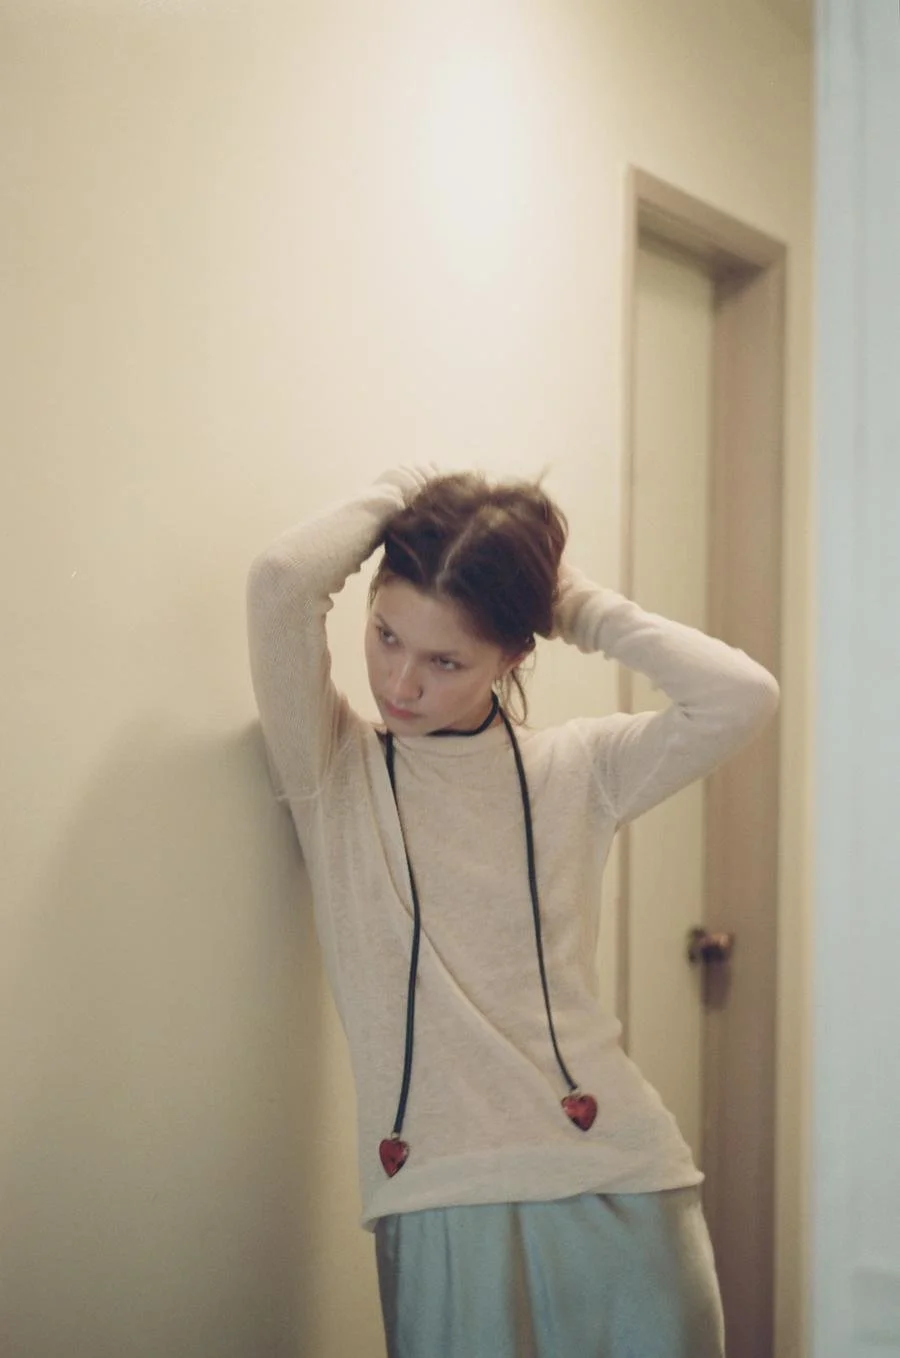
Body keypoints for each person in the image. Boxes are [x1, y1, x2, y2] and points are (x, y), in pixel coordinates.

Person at [246, 463, 779, 1358]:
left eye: (445, 660)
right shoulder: (333, 770)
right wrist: (409, 491)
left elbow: (741, 696)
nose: (400, 683)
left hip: (624, 1187)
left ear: (513, 657)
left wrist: (572, 603)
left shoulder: (581, 770)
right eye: (386, 636)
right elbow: (279, 583)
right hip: (440, 1199)